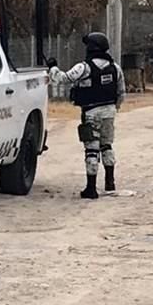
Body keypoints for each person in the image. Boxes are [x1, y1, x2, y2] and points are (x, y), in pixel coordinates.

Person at [47, 32, 126, 199]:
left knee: (91, 149)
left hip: (91, 112)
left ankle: (91, 188)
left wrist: (52, 67)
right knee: (107, 145)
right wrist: (114, 107)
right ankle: (110, 182)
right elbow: (121, 92)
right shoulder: (115, 68)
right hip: (109, 112)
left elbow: (63, 79)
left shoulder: (84, 67)